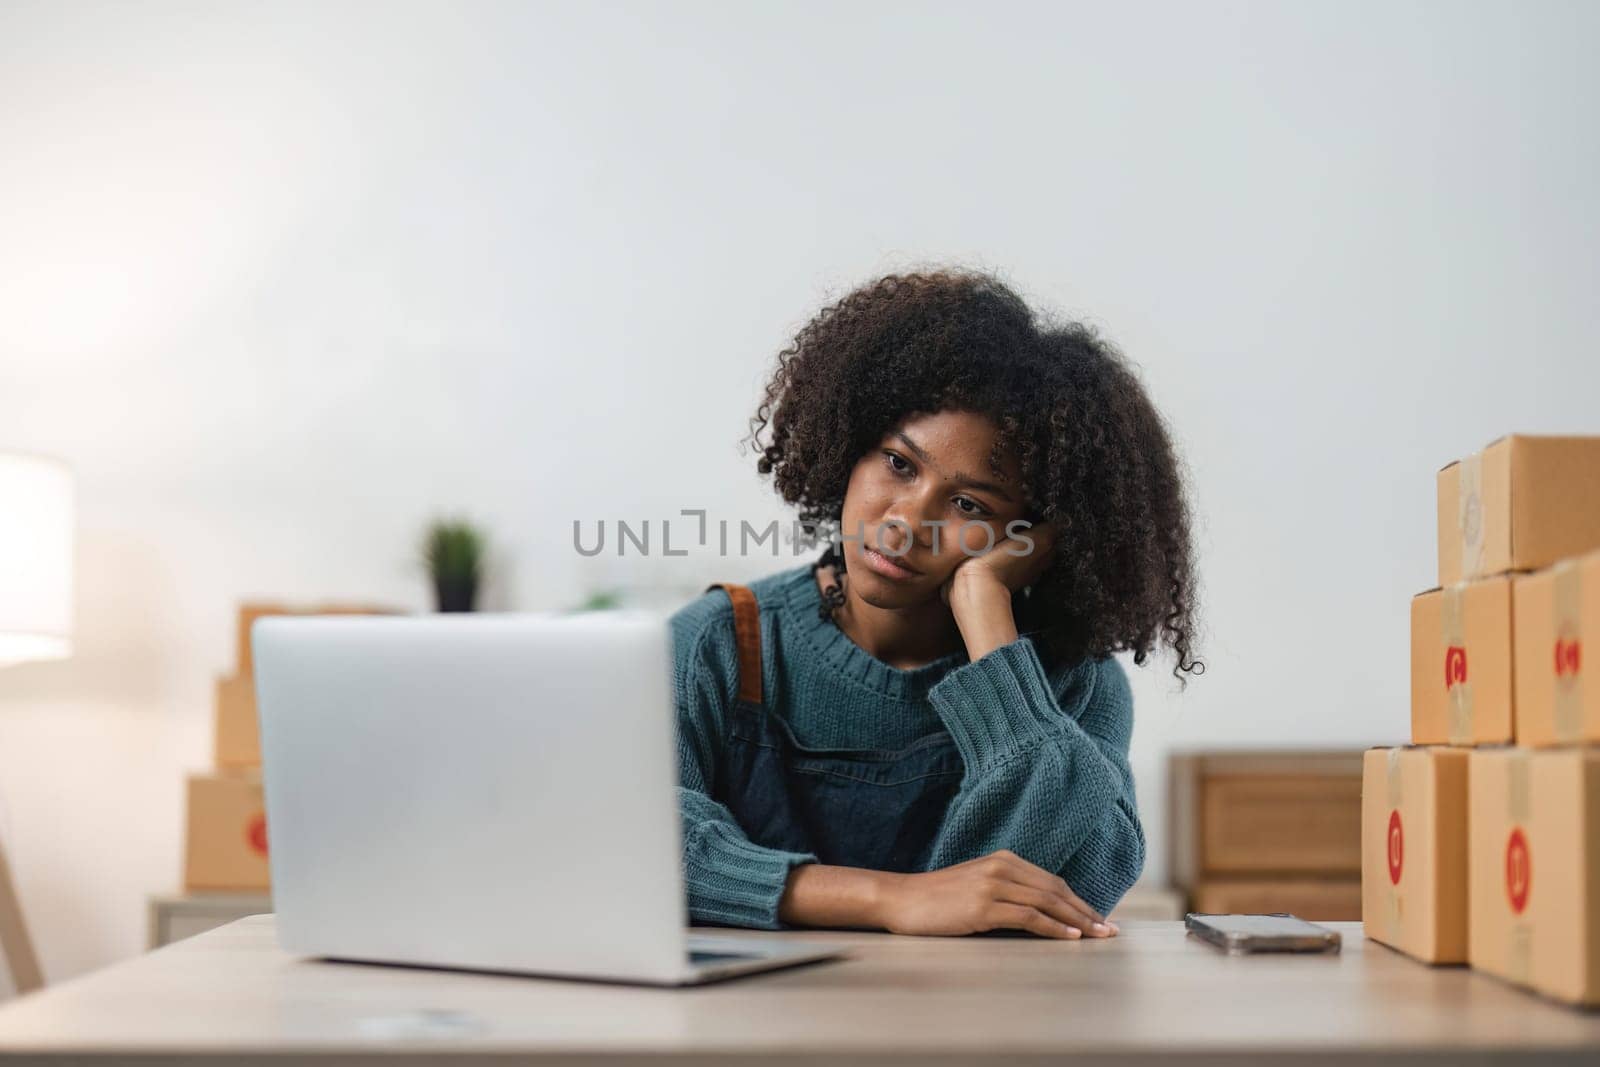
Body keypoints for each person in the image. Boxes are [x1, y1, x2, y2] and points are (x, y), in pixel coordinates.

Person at [670, 268, 1201, 940]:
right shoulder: (720, 643)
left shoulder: (1073, 685)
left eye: (969, 504)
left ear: (1035, 538)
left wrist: (986, 608)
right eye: (898, 462)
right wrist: (888, 899)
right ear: (847, 443)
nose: (905, 521)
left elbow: (1078, 882)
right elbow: (633, 835)